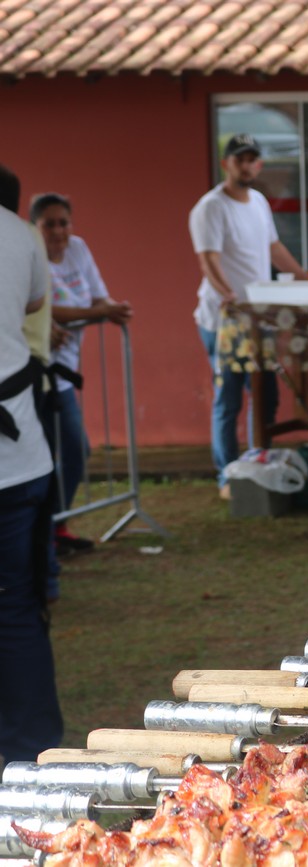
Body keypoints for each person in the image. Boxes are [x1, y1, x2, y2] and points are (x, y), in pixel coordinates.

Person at [189, 133, 308, 497]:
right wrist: (229, 296)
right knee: (229, 399)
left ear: (259, 164)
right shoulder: (210, 207)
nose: (246, 165)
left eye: (252, 159)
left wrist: (305, 278)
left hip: (259, 319)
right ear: (227, 163)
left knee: (264, 393)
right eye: (239, 158)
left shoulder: (258, 201)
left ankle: (259, 463)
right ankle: (227, 475)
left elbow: (273, 247)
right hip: (223, 319)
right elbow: (208, 259)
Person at [0, 162, 64, 765]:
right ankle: (32, 751)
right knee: (15, 605)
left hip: (16, 444)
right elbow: (34, 304)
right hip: (17, 453)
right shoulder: (20, 234)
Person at [30, 192, 133, 555]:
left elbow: (97, 299)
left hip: (65, 369)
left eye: (64, 223)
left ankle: (53, 527)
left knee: (69, 452)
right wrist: (86, 315)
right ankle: (42, 531)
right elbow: (41, 310)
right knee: (70, 450)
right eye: (49, 224)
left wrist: (112, 309)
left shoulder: (79, 249)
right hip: (36, 373)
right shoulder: (29, 255)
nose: (58, 232)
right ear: (34, 226)